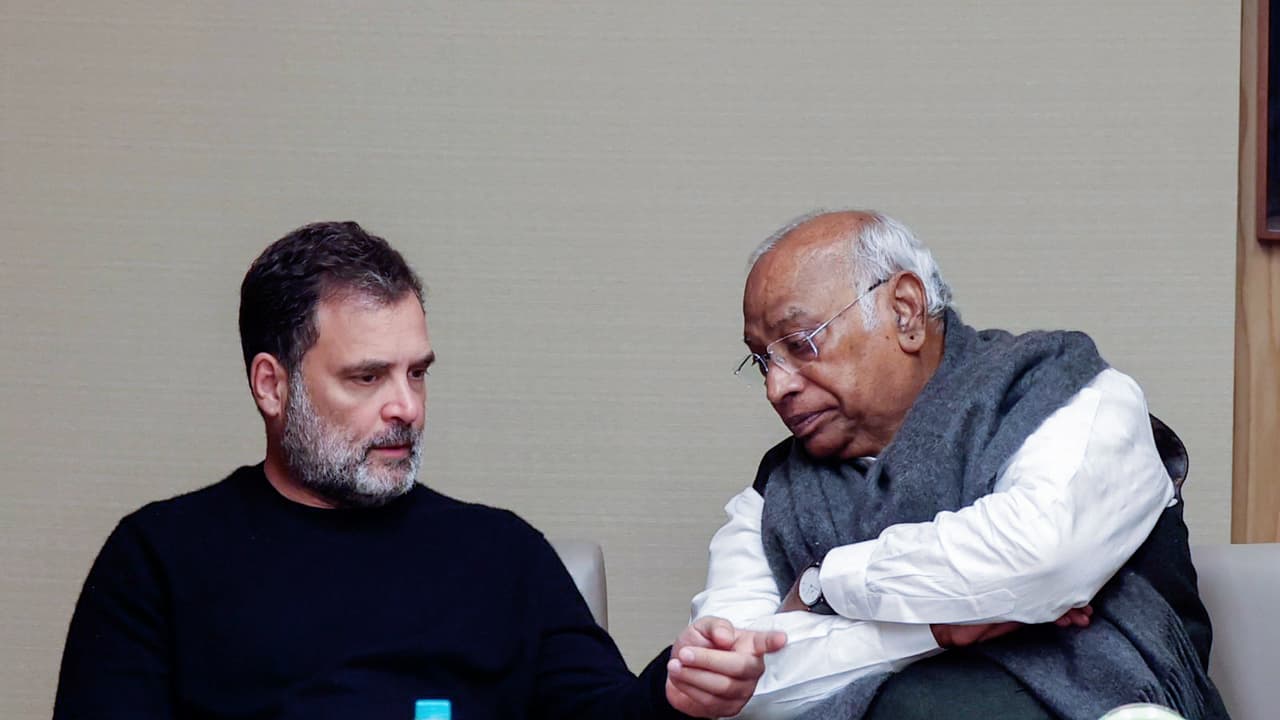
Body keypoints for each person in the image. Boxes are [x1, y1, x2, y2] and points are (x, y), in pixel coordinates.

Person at [53, 221, 784, 720]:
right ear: (272, 385)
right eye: (367, 378)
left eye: (417, 373)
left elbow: (609, 715)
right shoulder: (159, 559)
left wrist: (679, 688)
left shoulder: (500, 555)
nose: (406, 407)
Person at [690, 210, 1228, 719]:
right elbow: (736, 682)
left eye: (800, 344)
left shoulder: (1065, 392)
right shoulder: (774, 492)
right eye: (763, 360)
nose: (775, 387)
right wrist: (931, 630)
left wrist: (824, 585)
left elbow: (1040, 559)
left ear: (904, 312)